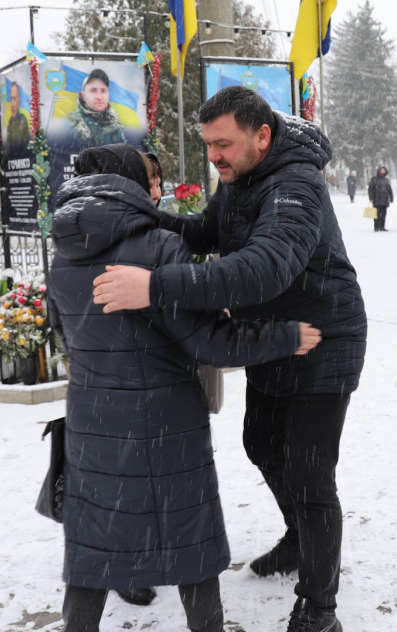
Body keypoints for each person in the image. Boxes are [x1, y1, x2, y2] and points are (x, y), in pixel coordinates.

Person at [89, 86, 366, 632]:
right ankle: (298, 536)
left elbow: (264, 267)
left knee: (312, 475)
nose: (214, 156)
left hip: (324, 337)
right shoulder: (240, 175)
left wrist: (155, 284)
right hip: (274, 334)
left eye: (223, 145)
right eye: (209, 144)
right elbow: (212, 231)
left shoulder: (296, 184)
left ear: (261, 137)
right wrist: (144, 220)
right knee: (261, 443)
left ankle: (319, 606)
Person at [49, 144, 321, 632]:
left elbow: (66, 335)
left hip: (92, 422)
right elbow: (211, 344)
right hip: (164, 423)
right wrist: (283, 336)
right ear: (130, 183)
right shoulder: (157, 247)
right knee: (189, 543)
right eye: (150, 180)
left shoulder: (64, 253)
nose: (158, 189)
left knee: (95, 548)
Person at [68, 69, 126, 147]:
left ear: (108, 95)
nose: (99, 97)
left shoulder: (114, 120)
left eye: (103, 91)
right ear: (83, 96)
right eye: (93, 91)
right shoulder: (70, 123)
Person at [6, 81, 31, 155]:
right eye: (11, 99)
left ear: (19, 101)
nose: (12, 104)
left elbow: (25, 145)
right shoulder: (10, 122)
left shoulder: (22, 120)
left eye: (14, 99)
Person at [367, 165, 393, 232]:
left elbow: (389, 189)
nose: (383, 171)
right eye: (381, 170)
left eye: (384, 170)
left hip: (385, 200)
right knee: (376, 214)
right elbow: (370, 189)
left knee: (384, 214)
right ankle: (376, 226)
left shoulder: (386, 180)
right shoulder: (374, 179)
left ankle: (382, 226)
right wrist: (371, 198)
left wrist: (391, 197)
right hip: (376, 200)